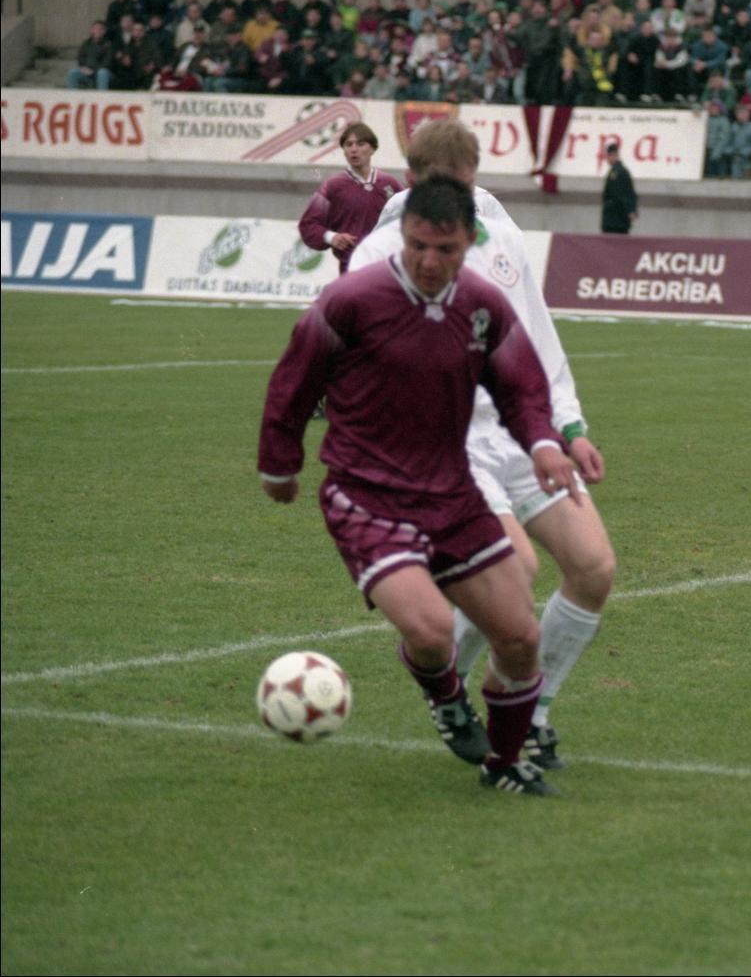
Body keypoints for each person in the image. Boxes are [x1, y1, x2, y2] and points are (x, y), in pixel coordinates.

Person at [258, 175, 580, 798]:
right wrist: (280, 464)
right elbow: (293, 381)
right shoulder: (352, 300)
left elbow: (521, 389)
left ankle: (504, 763)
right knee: (431, 631)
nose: (430, 261)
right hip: (366, 496)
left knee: (520, 637)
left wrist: (544, 442)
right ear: (402, 236)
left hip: (452, 493)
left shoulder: (483, 305)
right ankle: (447, 695)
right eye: (418, 246)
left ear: (470, 242)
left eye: (446, 249)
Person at [350, 121, 616, 776]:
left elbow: (538, 341)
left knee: (593, 568)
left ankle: (534, 710)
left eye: (464, 188)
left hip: (521, 436)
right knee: (516, 571)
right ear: (413, 182)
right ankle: (478, 701)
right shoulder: (378, 253)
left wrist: (570, 427)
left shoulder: (502, 238)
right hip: (447, 446)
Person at [298, 123, 403, 275]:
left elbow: (410, 220)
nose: (354, 149)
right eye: (348, 144)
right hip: (351, 267)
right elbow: (308, 224)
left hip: (387, 267)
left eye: (360, 144)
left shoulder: (390, 184)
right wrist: (331, 237)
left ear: (373, 148)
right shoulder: (332, 186)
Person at [601, 141, 638, 234]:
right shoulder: (622, 171)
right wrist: (631, 210)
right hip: (619, 220)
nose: (607, 159)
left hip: (615, 220)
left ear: (613, 155)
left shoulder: (616, 173)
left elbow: (620, 195)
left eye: (608, 156)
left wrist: (629, 210)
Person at [68, 20, 116, 90]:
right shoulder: (86, 43)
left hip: (102, 73)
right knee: (73, 72)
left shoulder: (108, 45)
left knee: (102, 73)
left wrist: (93, 70)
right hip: (87, 72)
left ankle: (102, 96)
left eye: (101, 29)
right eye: (96, 29)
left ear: (104, 31)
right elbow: (81, 58)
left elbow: (107, 62)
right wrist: (83, 68)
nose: (98, 31)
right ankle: (72, 95)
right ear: (92, 30)